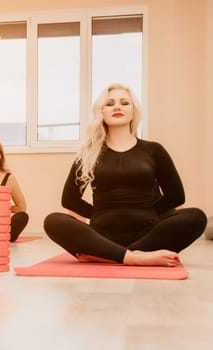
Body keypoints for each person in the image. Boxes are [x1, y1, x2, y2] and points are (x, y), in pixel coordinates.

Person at [43, 83, 207, 267]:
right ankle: (135, 257)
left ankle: (110, 254)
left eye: (124, 103)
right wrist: (100, 213)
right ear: (101, 112)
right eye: (110, 103)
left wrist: (148, 212)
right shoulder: (88, 153)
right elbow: (69, 199)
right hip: (102, 233)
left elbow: (176, 195)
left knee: (196, 216)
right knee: (53, 221)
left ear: (133, 111)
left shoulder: (153, 150)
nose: (118, 107)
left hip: (148, 232)